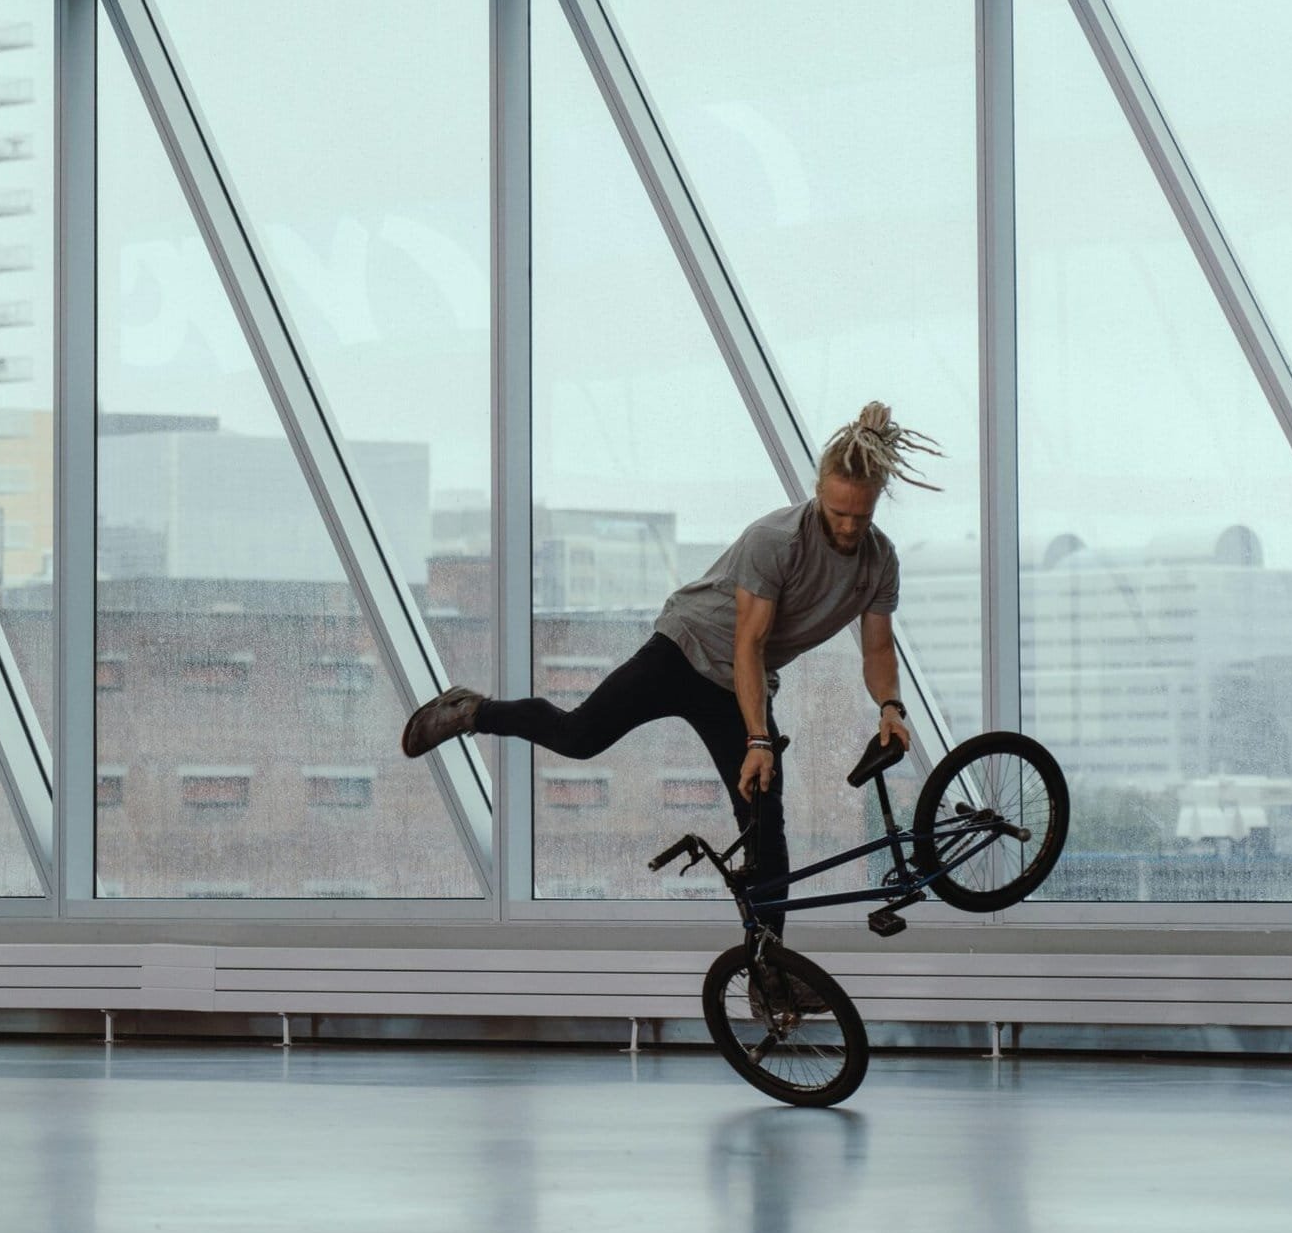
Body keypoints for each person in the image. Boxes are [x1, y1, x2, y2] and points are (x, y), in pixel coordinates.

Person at [400, 401, 941, 945]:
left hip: (738, 688)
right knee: (580, 736)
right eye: (838, 512)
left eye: (861, 516)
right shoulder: (776, 540)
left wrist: (890, 707)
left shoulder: (879, 560)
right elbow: (748, 644)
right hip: (684, 650)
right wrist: (759, 737)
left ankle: (766, 966)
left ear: (876, 504)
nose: (848, 527)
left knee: (762, 823)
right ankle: (471, 710)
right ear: (819, 491)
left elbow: (876, 651)